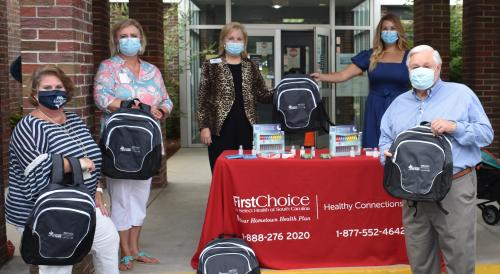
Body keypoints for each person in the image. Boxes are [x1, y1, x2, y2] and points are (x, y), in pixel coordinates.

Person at [379, 45, 493, 274]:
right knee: (420, 259)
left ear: (438, 68)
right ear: (408, 71)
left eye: (426, 66)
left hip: (454, 185)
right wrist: (386, 155)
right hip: (412, 190)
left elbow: (486, 135)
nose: (420, 71)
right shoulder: (398, 104)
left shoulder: (461, 94)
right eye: (415, 67)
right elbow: (385, 139)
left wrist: (455, 127)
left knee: (459, 257)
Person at [5, 65, 119, 274]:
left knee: (108, 239)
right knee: (58, 265)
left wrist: (97, 189)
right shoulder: (29, 127)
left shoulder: (73, 120)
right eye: (47, 87)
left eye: (59, 87)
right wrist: (76, 163)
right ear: (34, 94)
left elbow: (92, 157)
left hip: (76, 200)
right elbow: (36, 171)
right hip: (42, 209)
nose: (54, 91)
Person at [94, 18, 172, 271]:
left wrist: (161, 109)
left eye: (134, 35)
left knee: (139, 198)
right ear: (116, 40)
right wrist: (130, 104)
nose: (130, 40)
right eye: (124, 35)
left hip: (147, 145)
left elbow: (166, 99)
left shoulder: (152, 70)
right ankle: (124, 250)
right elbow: (101, 97)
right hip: (120, 145)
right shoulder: (109, 67)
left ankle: (135, 248)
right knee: (120, 198)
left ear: (141, 39)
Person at [311, 14, 409, 148]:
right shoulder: (371, 55)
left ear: (399, 31)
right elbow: (342, 75)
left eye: (393, 28)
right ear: (380, 32)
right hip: (375, 106)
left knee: (401, 147)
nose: (389, 32)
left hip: (401, 107)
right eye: (385, 29)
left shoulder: (411, 56)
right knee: (374, 147)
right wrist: (321, 76)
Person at [197, 22, 274, 172]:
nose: (235, 42)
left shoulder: (250, 65)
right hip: (219, 129)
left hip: (247, 128)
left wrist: (285, 89)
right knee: (221, 170)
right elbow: (203, 98)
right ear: (223, 41)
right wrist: (204, 126)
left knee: (246, 171)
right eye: (231, 38)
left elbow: (263, 94)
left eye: (239, 39)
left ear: (244, 42)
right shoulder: (211, 64)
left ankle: (243, 197)